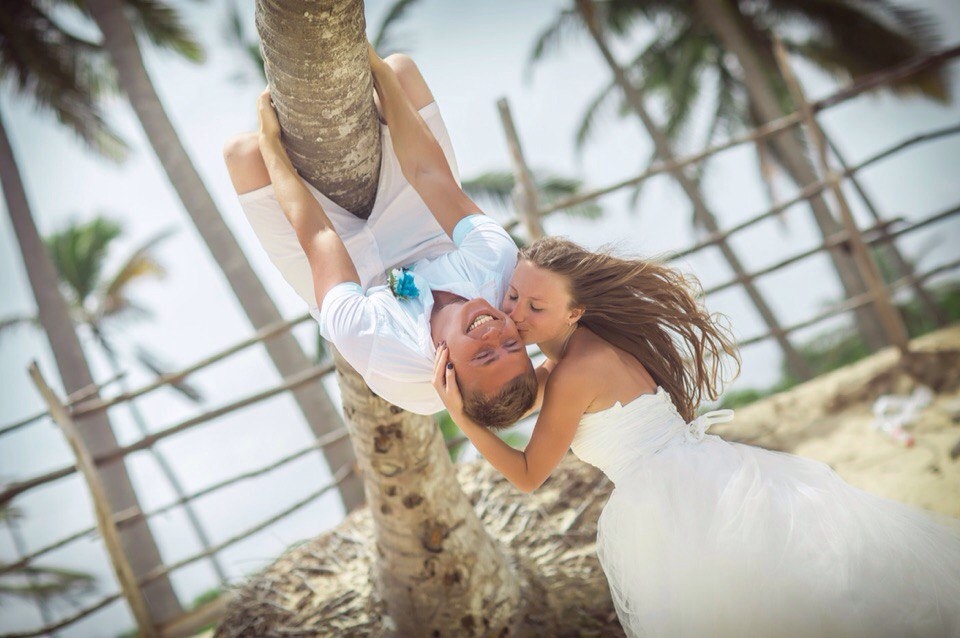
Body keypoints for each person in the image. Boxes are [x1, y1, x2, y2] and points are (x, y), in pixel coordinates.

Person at [434, 236, 960, 637]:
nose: (515, 316)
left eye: (536, 308)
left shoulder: (575, 372)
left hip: (678, 498)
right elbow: (521, 398)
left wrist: (459, 416)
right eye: (513, 297)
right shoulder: (576, 354)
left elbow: (527, 475)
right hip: (698, 474)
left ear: (574, 313)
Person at [223, 50, 536, 426]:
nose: (494, 334)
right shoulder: (498, 266)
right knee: (400, 69)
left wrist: (273, 146)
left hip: (352, 272)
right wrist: (370, 63)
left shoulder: (377, 342)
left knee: (243, 153)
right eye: (511, 344)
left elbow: (320, 235)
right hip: (424, 231)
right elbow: (428, 174)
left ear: (446, 368)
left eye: (484, 355)